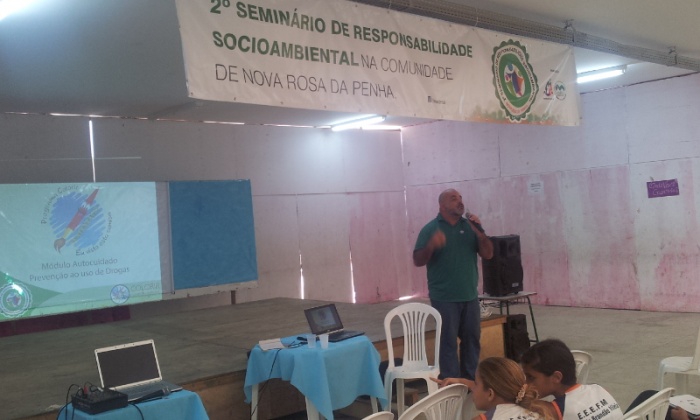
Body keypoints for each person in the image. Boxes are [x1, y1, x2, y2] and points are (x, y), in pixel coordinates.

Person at [413, 188, 494, 380]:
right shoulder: (431, 229)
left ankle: (469, 382)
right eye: (453, 198)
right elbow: (418, 260)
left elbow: (489, 254)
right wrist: (431, 245)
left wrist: (481, 233)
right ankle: (451, 384)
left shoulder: (470, 227)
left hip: (470, 296)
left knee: (472, 341)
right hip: (444, 298)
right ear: (442, 205)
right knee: (448, 343)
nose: (460, 201)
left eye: (460, 197)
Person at [520, 339, 624, 420]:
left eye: (531, 377)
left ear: (556, 377)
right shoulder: (599, 389)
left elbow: (520, 401)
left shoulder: (555, 410)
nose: (526, 383)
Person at [433, 357, 557, 420]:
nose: (473, 389)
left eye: (476, 384)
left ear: (490, 394)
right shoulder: (540, 412)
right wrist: (462, 381)